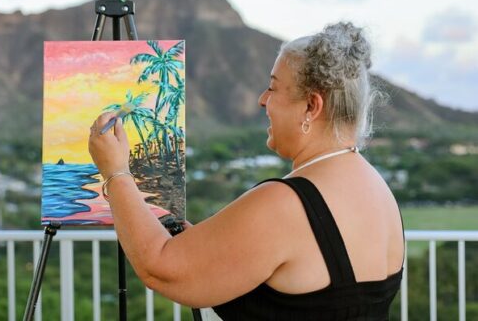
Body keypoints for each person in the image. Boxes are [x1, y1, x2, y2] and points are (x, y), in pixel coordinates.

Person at [88, 21, 405, 320]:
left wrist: (116, 172)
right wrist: (212, 247)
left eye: (273, 88)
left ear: (311, 106)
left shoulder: (286, 205)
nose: (262, 100)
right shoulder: (379, 192)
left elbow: (159, 267)